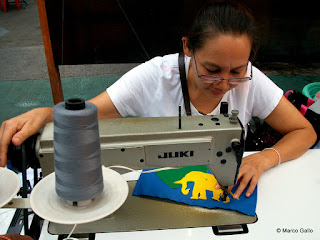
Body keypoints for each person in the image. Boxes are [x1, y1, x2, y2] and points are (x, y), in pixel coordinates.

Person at [0, 0, 316, 200]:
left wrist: (264, 158)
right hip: (162, 187)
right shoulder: (154, 76)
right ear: (188, 48)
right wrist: (47, 114)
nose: (224, 84)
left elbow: (305, 132)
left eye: (236, 71)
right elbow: (92, 113)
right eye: (211, 70)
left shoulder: (250, 79)